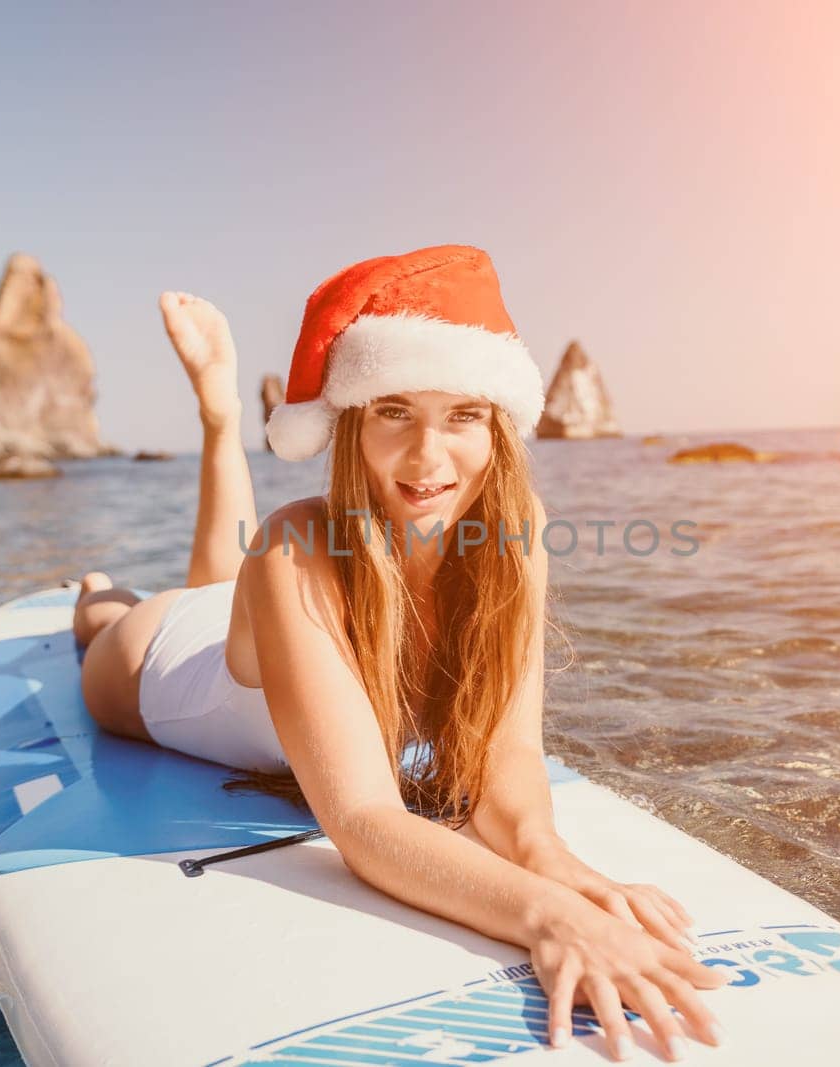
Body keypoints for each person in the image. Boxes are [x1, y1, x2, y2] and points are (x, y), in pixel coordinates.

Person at [72, 245, 725, 1061]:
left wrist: (547, 854)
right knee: (118, 613)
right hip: (166, 664)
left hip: (260, 624)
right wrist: (549, 917)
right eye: (393, 412)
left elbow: (508, 756)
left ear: (499, 425)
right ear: (349, 424)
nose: (427, 459)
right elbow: (363, 822)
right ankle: (208, 438)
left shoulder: (516, 546)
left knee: (221, 584)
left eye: (463, 416)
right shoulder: (291, 547)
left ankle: (218, 428)